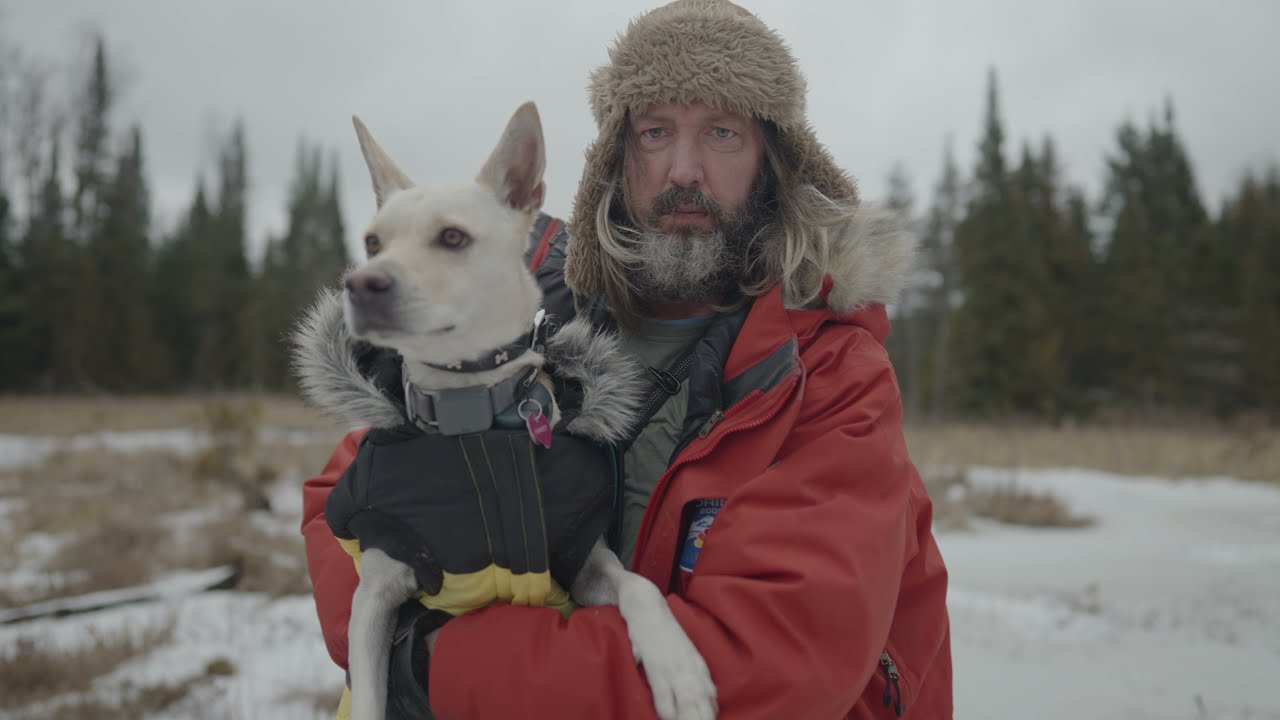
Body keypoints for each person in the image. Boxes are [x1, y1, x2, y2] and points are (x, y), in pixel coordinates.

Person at [301, 0, 952, 717]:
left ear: (776, 160)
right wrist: (378, 623)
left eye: (723, 131)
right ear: (618, 153)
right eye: (655, 131)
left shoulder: (827, 373)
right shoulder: (516, 311)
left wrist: (431, 667)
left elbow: (772, 669)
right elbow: (342, 508)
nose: (684, 168)